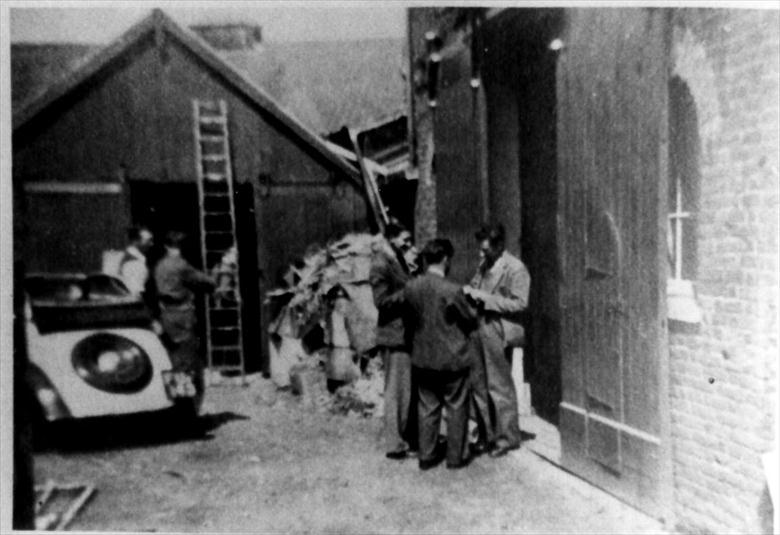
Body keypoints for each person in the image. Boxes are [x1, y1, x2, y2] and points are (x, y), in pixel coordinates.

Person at [402, 238, 477, 470]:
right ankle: (455, 458)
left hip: (423, 357)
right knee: (456, 406)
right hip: (452, 359)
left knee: (427, 406)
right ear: (446, 259)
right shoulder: (452, 290)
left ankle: (426, 455)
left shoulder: (411, 287)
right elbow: (470, 317)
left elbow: (409, 319)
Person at [464, 223, 530, 458]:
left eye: (486, 250)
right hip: (478, 327)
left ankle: (507, 437)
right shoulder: (485, 264)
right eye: (480, 250)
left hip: (497, 329)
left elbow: (520, 303)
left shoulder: (516, 269)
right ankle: (486, 434)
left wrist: (486, 299)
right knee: (479, 384)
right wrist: (469, 291)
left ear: (500, 246)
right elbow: (475, 285)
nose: (481, 255)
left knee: (498, 385)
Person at [369, 222, 419, 459]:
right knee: (396, 391)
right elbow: (380, 301)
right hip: (393, 334)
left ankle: (402, 439)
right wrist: (408, 292)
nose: (408, 243)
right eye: (404, 239)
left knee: (403, 390)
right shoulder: (381, 263)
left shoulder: (395, 258)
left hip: (403, 334)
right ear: (392, 238)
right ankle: (395, 444)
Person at [154, 231, 216, 394]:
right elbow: (206, 281)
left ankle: (172, 390)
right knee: (187, 355)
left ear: (166, 246)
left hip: (166, 314)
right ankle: (186, 396)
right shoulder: (181, 265)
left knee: (171, 354)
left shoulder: (159, 266)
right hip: (183, 314)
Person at [119, 225, 154, 299]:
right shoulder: (134, 264)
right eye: (148, 240)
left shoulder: (131, 258)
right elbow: (136, 295)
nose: (152, 244)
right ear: (136, 241)